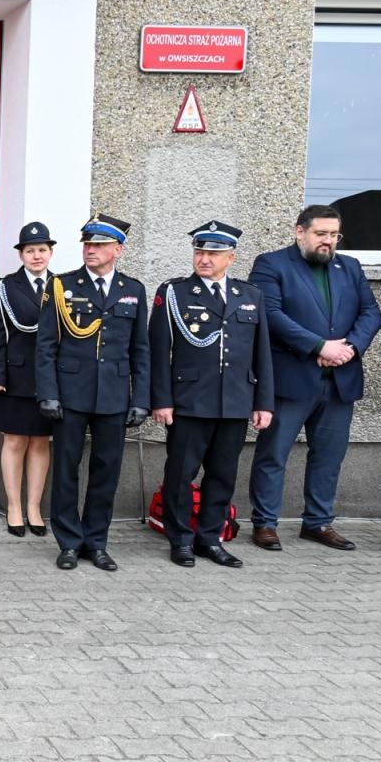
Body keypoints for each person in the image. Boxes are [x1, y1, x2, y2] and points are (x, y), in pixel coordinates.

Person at [246, 205, 381, 552]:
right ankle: (264, 522)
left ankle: (318, 522)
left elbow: (371, 311)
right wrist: (318, 346)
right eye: (321, 234)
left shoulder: (348, 266)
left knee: (328, 455)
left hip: (340, 379)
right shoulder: (272, 264)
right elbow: (270, 314)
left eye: (334, 235)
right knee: (273, 454)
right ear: (300, 231)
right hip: (292, 379)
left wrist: (349, 348)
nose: (328, 241)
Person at [150, 221, 274, 569]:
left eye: (213, 253)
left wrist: (263, 402)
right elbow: (158, 351)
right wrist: (161, 399)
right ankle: (181, 539)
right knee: (180, 474)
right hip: (190, 401)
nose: (204, 259)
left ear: (230, 257)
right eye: (200, 252)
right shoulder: (174, 293)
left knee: (222, 475)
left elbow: (261, 352)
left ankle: (210, 538)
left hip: (235, 401)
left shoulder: (250, 296)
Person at [35, 213, 150, 572]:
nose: (90, 250)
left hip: (114, 396)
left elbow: (140, 350)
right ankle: (69, 542)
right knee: (67, 469)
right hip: (70, 393)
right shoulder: (61, 286)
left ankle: (96, 542)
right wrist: (48, 393)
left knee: (107, 470)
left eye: (99, 245)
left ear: (118, 249)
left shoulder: (133, 290)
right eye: (87, 244)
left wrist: (141, 399)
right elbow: (45, 346)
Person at [0, 221, 56, 538]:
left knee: (41, 442)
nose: (37, 256)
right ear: (21, 255)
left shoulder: (61, 286)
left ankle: (34, 507)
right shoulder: (6, 286)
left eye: (42, 250)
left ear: (50, 253)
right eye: (30, 251)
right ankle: (14, 506)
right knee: (14, 441)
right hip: (14, 376)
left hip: (49, 379)